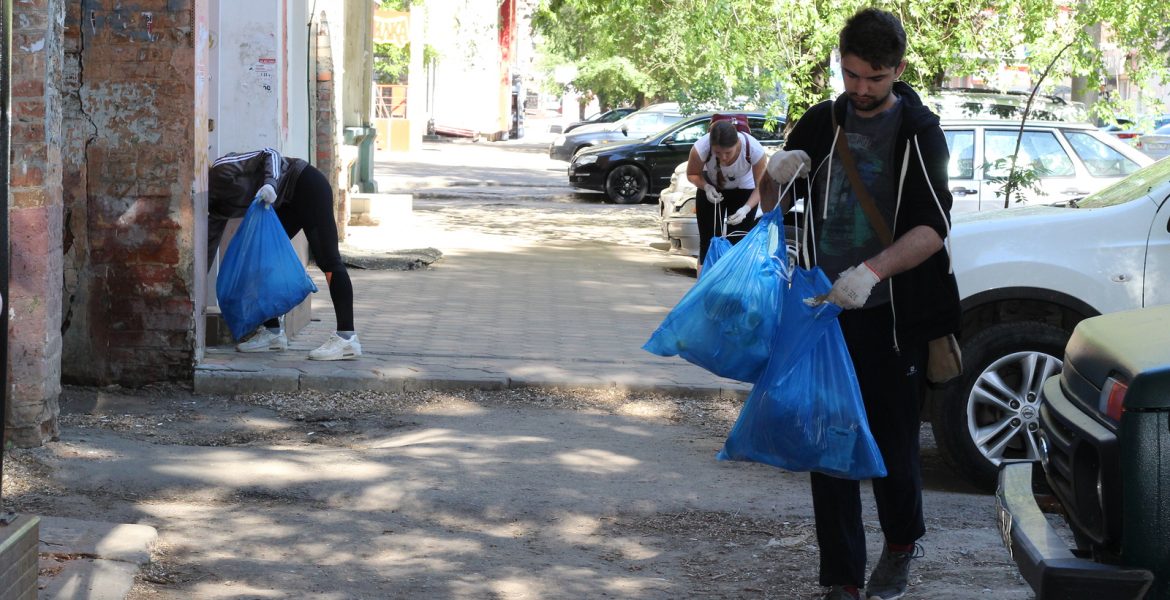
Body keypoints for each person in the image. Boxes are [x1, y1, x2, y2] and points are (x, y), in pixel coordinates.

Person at [765, 8, 960, 600]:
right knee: (828, 446)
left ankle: (901, 545)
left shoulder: (919, 132)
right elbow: (769, 198)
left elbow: (934, 228)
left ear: (898, 69)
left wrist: (872, 272)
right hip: (825, 311)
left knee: (894, 446)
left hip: (892, 317)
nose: (862, 89)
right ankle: (841, 580)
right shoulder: (821, 122)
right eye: (851, 75)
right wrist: (775, 171)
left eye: (875, 78)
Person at [208, 147, 362, 361]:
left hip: (305, 184)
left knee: (328, 260)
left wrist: (270, 183)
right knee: (258, 258)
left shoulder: (221, 169)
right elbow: (209, 243)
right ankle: (272, 334)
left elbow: (269, 153)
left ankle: (347, 338)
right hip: (284, 204)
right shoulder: (214, 207)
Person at [686, 119, 768, 276]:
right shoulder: (701, 147)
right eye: (718, 153)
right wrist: (706, 187)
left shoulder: (754, 149)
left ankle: (730, 286)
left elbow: (761, 187)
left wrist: (746, 208)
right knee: (709, 242)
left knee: (737, 241)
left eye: (728, 153)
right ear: (711, 146)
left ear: (737, 143)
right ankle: (704, 287)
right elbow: (692, 174)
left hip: (744, 191)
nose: (723, 158)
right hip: (711, 190)